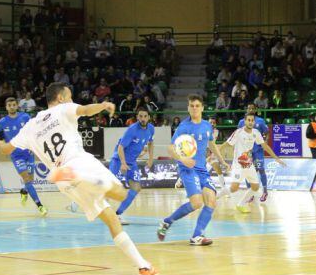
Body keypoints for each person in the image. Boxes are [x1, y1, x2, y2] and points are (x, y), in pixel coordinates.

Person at [0, 82, 158, 275]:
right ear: (61, 98)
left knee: (112, 219)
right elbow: (86, 110)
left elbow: (6, 149)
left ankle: (143, 266)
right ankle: (81, 177)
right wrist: (104, 105)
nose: (71, 100)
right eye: (69, 96)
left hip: (63, 181)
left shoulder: (30, 126)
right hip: (77, 162)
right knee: (121, 193)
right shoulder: (63, 108)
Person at [157, 94, 228, 246]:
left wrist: (222, 160)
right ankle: (167, 222)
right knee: (196, 203)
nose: (194, 108)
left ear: (202, 108)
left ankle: (197, 236)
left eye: (197, 105)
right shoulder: (184, 127)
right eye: (191, 106)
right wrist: (182, 159)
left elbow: (211, 144)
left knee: (211, 201)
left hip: (202, 169)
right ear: (188, 108)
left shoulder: (207, 125)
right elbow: (170, 148)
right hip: (187, 168)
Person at [220, 114, 285, 213]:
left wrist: (276, 158)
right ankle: (216, 195)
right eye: (248, 120)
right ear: (245, 121)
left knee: (255, 187)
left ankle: (240, 204)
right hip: (238, 163)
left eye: (252, 120)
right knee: (233, 188)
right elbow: (227, 143)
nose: (250, 122)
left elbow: (265, 146)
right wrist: (215, 152)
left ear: (254, 122)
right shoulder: (239, 132)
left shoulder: (256, 132)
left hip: (248, 163)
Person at [0, 98, 47, 216]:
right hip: (16, 155)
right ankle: (40, 206)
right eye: (9, 105)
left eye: (13, 105)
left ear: (17, 106)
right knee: (27, 179)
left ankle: (23, 190)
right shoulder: (2, 122)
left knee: (30, 179)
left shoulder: (25, 117)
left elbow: (33, 131)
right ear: (6, 107)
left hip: (28, 152)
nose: (11, 107)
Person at [109, 107, 155, 225]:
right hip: (119, 160)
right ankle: (81, 201)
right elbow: (120, 147)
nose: (143, 119)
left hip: (132, 162)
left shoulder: (151, 129)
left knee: (136, 188)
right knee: (108, 186)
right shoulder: (132, 129)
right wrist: (123, 163)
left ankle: (117, 214)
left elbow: (150, 143)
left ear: (149, 117)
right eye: (140, 116)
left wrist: (150, 158)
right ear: (137, 117)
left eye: (145, 116)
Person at [237, 104, 270, 201]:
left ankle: (265, 191)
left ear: (255, 110)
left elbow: (267, 132)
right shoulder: (241, 122)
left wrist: (265, 142)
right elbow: (238, 134)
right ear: (246, 109)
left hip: (258, 151)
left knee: (261, 169)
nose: (251, 109)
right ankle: (250, 194)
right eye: (249, 108)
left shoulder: (260, 121)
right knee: (247, 172)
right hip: (247, 152)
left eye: (253, 108)